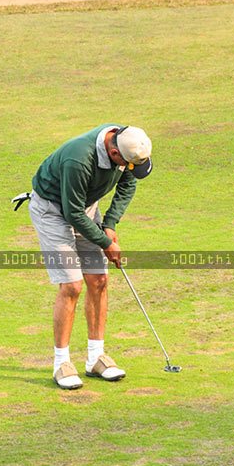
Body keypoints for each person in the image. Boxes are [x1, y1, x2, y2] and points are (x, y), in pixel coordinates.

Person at [13, 124, 153, 389]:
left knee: (99, 280)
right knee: (72, 285)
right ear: (113, 153)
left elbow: (127, 185)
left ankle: (96, 358)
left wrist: (109, 226)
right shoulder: (78, 159)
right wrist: (105, 243)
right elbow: (71, 213)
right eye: (126, 164)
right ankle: (61, 364)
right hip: (53, 211)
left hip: (84, 207)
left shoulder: (129, 143)